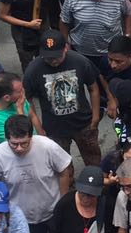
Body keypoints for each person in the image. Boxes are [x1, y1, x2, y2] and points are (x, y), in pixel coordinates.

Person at [23, 30, 103, 165]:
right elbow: (27, 100)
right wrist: (38, 128)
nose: (53, 61)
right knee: (60, 165)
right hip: (55, 128)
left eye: (57, 56)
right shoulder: (33, 69)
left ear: (66, 48)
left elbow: (93, 87)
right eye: (48, 58)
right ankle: (69, 186)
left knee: (93, 158)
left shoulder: (80, 61)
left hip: (83, 122)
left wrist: (95, 117)